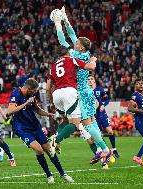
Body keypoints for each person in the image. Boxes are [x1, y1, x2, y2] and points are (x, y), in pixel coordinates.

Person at [51, 7, 112, 165]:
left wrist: (58, 24)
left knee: (85, 124)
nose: (75, 41)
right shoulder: (84, 53)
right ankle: (102, 150)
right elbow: (71, 35)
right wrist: (65, 18)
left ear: (81, 47)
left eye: (77, 42)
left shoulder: (75, 55)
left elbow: (62, 40)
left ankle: (104, 149)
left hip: (81, 92)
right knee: (91, 122)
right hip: (87, 91)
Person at [7, 78, 74, 183]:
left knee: (49, 149)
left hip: (35, 126)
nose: (35, 92)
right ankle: (49, 175)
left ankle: (63, 174)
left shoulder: (31, 96)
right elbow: (9, 111)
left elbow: (37, 109)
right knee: (39, 149)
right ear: (29, 88)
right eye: (34, 90)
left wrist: (48, 114)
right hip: (22, 128)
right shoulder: (16, 94)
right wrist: (25, 103)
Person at [88, 74, 120, 158]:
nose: (90, 80)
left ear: (94, 80)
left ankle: (114, 148)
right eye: (88, 79)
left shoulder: (99, 89)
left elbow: (107, 99)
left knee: (110, 131)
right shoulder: (87, 91)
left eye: (91, 79)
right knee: (97, 135)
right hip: (94, 116)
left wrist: (103, 105)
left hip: (103, 114)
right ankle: (102, 152)